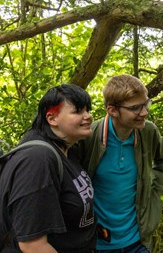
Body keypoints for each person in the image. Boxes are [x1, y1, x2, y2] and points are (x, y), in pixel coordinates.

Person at [79, 74, 163, 253]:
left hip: (138, 241)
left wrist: (154, 190)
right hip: (97, 244)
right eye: (136, 108)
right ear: (112, 110)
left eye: (146, 104)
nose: (144, 112)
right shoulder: (89, 137)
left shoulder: (148, 132)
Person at [0, 84, 96, 253]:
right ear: (52, 118)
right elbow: (32, 245)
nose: (88, 116)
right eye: (78, 111)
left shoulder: (66, 148)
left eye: (88, 110)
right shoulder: (37, 159)